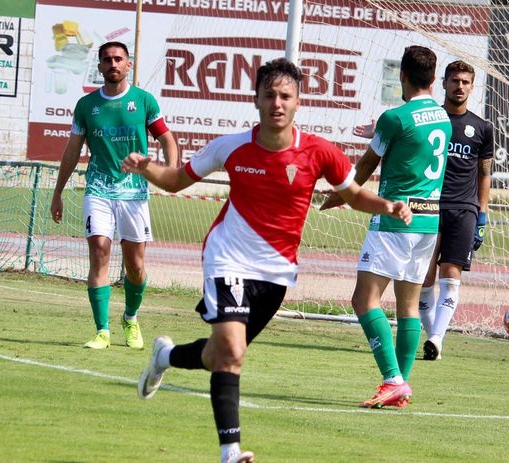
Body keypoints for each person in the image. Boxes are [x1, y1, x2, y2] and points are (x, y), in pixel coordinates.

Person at [122, 58, 412, 463]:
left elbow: (353, 194)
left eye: (285, 96)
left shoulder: (319, 152)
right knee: (234, 352)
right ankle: (231, 452)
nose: (277, 103)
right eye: (270, 95)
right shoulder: (231, 146)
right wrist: (147, 167)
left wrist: (388, 205)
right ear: (255, 100)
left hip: (276, 272)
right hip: (228, 258)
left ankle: (164, 357)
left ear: (298, 102)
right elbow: (175, 181)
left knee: (218, 355)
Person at [320, 45, 452, 408]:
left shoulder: (394, 118)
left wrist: (340, 195)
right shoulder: (442, 117)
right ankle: (401, 385)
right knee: (408, 306)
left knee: (364, 299)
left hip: (395, 219)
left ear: (403, 76)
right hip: (429, 220)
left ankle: (392, 379)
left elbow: (364, 166)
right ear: (433, 77)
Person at [50, 41, 178, 350]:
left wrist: (172, 171)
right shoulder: (86, 105)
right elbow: (72, 150)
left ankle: (130, 318)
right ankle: (102, 330)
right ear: (99, 67)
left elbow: (167, 138)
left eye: (118, 59)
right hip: (98, 189)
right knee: (99, 253)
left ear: (128, 64)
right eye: (107, 60)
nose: (113, 64)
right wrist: (58, 192)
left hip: (134, 193)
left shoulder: (143, 101)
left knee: (135, 266)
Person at [419, 60, 494, 361]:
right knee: (424, 279)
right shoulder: (430, 120)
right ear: (444, 83)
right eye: (454, 81)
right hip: (428, 206)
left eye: (465, 82)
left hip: (464, 210)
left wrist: (483, 213)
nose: (459, 86)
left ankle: (436, 338)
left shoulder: (483, 128)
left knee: (450, 275)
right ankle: (431, 336)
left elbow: (484, 173)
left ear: (472, 87)